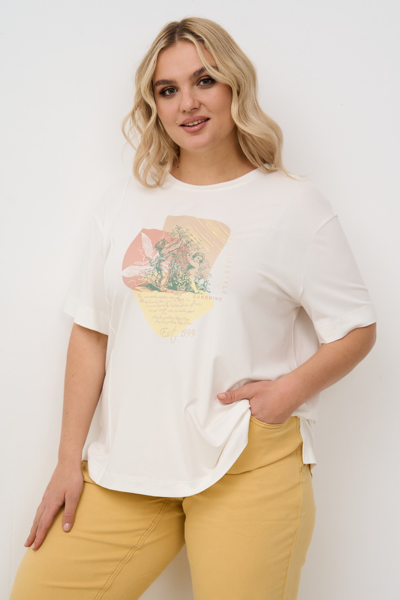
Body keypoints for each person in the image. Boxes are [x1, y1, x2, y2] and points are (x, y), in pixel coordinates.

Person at [9, 16, 377, 600]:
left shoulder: (293, 206)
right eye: (168, 89)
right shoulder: (124, 203)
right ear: (153, 105)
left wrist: (285, 394)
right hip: (127, 465)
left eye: (204, 80)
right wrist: (66, 461)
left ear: (235, 85)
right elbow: (92, 332)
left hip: (246, 462)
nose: (188, 103)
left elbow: (356, 329)